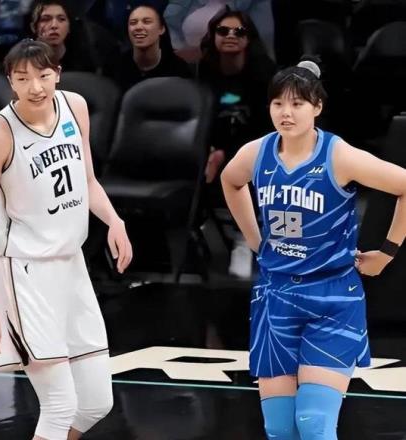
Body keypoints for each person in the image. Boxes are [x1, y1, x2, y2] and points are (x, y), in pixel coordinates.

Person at [221, 60, 406, 439]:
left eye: (297, 104)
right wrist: (255, 239)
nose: (285, 113)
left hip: (332, 298)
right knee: (280, 429)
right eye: (278, 103)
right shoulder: (256, 153)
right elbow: (230, 180)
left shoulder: (340, 156)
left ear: (317, 107)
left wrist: (386, 252)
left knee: (314, 423)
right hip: (276, 296)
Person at [0, 39, 132, 440]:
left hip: (71, 265)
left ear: (57, 73)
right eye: (23, 79)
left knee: (95, 403)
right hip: (25, 272)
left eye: (43, 75)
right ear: (10, 82)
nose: (36, 87)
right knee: (59, 406)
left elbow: (87, 179)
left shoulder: (75, 107)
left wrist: (114, 220)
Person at [199, 8, 276, 278]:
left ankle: (244, 240)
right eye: (223, 31)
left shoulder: (264, 73)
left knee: (244, 165)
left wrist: (223, 153)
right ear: (213, 36)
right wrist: (210, 148)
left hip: (258, 144)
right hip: (214, 144)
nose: (230, 35)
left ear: (249, 38)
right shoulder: (205, 70)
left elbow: (266, 128)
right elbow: (202, 118)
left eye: (239, 31)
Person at [113, 3, 191, 91]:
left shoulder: (178, 69)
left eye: (147, 22)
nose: (139, 27)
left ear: (161, 29)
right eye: (133, 23)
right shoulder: (116, 65)